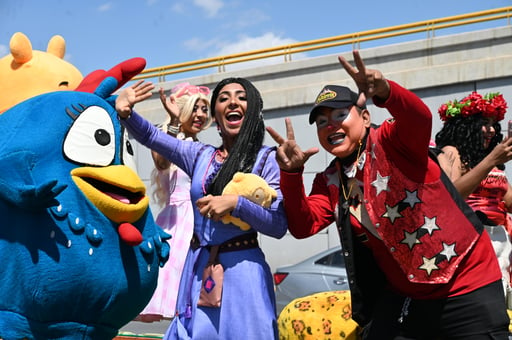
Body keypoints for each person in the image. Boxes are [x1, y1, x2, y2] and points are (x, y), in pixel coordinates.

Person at [266, 50, 510, 339]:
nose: (330, 125)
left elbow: (419, 117)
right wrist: (291, 174)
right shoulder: (329, 180)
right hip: (408, 296)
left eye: (340, 115)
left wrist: (386, 91)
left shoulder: (391, 140)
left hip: (467, 283)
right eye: (321, 122)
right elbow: (303, 225)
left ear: (366, 117)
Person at [116, 77, 287, 339]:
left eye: (242, 97)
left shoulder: (267, 159)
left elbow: (277, 225)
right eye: (223, 98)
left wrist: (237, 204)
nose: (232, 102)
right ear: (216, 118)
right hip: (197, 270)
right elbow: (151, 137)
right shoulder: (200, 155)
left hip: (244, 273)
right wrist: (127, 113)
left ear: (253, 111)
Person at [136, 82, 212, 322]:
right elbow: (161, 162)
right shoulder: (168, 138)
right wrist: (174, 122)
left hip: (203, 221)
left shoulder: (208, 150)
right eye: (195, 108)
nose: (200, 114)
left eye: (204, 109)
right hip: (177, 224)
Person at [434, 91, 512, 299]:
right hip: (472, 240)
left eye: (494, 123)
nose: (491, 129)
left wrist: (492, 159)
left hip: (500, 240)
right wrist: (491, 161)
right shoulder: (452, 152)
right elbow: (450, 196)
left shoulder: (490, 157)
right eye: (484, 123)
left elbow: (509, 202)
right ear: (465, 126)